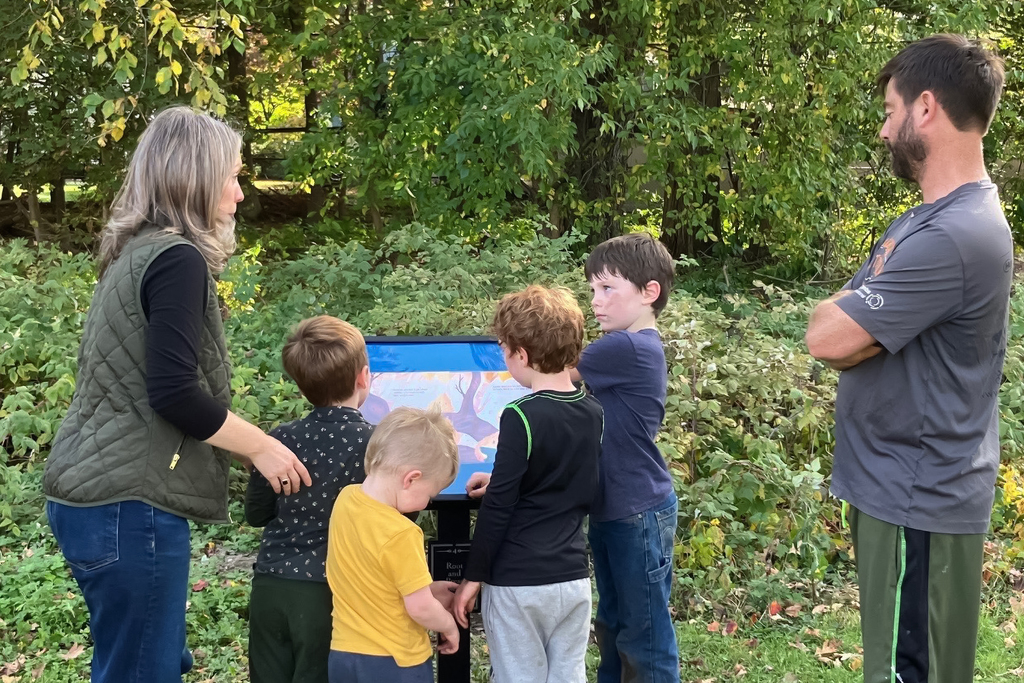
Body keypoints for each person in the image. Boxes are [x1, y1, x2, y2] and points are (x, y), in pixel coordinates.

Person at [41, 106, 311, 683]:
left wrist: (241, 447)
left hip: (94, 498)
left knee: (137, 661)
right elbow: (173, 394)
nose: (240, 193)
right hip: (127, 504)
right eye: (232, 176)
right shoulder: (177, 259)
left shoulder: (133, 252)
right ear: (194, 176)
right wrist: (260, 446)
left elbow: (148, 388)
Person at [804, 34, 1010, 683]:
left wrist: (854, 313)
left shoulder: (952, 234)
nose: (883, 127)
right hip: (902, 492)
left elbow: (827, 336)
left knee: (906, 671)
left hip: (916, 500)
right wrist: (854, 312)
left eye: (890, 109)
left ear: (926, 108)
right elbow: (839, 321)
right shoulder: (922, 221)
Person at [452, 285, 604, 683]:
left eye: (505, 350)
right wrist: (505, 479)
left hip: (518, 581)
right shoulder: (593, 411)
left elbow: (499, 507)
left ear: (521, 354)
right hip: (572, 578)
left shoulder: (519, 414)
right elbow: (578, 487)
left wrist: (472, 577)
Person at [245, 315, 373, 683]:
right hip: (331, 590)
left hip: (271, 584)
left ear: (301, 385)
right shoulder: (375, 444)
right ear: (362, 377)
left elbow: (256, 513)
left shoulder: (279, 440)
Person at [326, 406, 461, 683]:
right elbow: (420, 608)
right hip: (396, 662)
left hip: (343, 655)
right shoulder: (402, 533)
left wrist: (424, 587)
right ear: (411, 479)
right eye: (430, 494)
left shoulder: (346, 500)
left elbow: (373, 577)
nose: (427, 503)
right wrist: (449, 626)